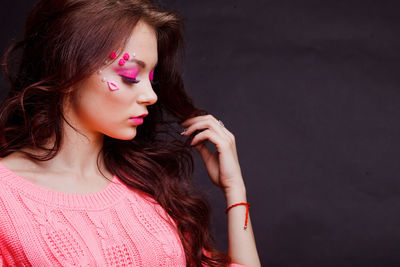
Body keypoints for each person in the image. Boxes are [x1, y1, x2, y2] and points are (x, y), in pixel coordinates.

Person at [0, 0, 261, 266]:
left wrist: (234, 189)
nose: (151, 96)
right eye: (130, 75)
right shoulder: (5, 198)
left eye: (152, 78)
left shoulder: (148, 185)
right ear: (68, 71)